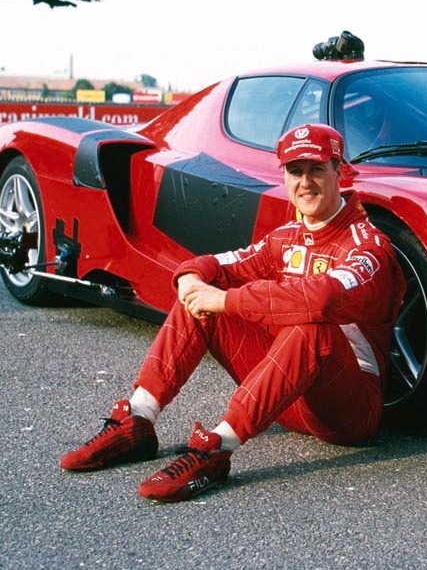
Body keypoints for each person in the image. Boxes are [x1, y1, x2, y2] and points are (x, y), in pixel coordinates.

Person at [60, 124, 406, 502]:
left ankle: (216, 449)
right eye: (295, 171)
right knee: (198, 298)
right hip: (284, 396)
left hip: (345, 412)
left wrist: (225, 300)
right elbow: (217, 265)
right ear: (284, 176)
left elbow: (321, 299)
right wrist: (191, 277)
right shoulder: (284, 238)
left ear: (339, 171)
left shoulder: (369, 245)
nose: (305, 182)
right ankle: (138, 420)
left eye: (316, 170)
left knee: (311, 324)